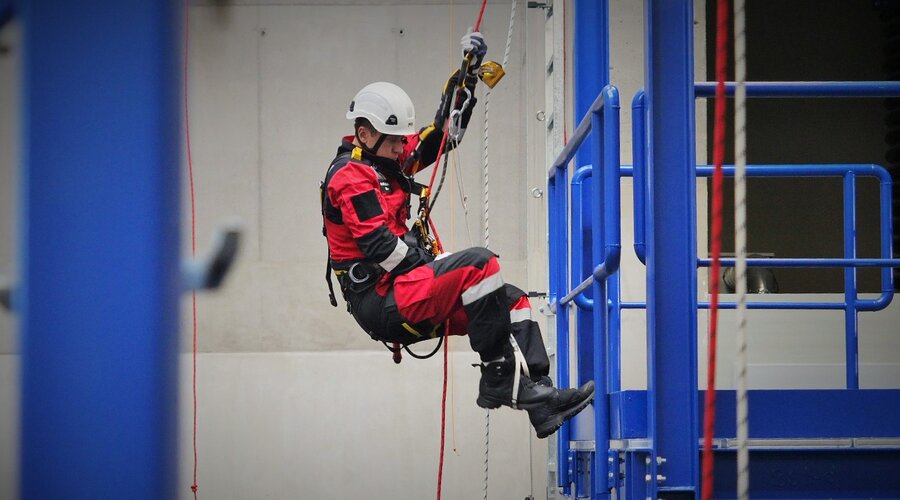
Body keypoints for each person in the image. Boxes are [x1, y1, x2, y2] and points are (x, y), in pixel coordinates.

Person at [320, 30, 594, 439]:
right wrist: (432, 269)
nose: (402, 148)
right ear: (364, 134)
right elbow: (379, 247)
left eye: (400, 140)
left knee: (511, 299)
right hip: (382, 300)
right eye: (395, 141)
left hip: (405, 290)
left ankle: (538, 395)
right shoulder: (351, 177)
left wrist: (463, 82)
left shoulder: (385, 164)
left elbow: (440, 138)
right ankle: (497, 379)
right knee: (480, 265)